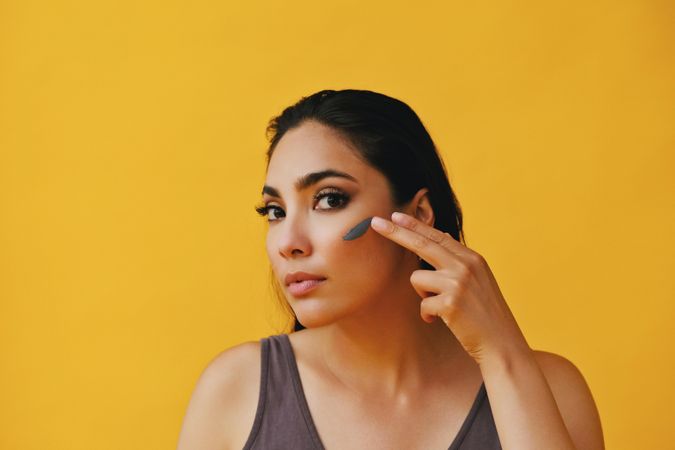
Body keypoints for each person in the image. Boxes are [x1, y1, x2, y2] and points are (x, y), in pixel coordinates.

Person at [176, 89, 605, 449]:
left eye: (329, 199)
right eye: (275, 210)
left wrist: (502, 355)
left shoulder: (553, 389)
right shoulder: (237, 391)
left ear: (418, 213)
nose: (288, 242)